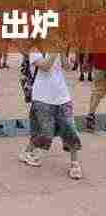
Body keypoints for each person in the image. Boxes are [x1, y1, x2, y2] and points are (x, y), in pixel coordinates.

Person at [19, 40, 83, 180]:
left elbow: (67, 67)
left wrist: (63, 52)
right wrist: (55, 50)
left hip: (62, 96)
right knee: (45, 131)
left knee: (70, 129)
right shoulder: (35, 49)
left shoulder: (57, 47)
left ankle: (75, 164)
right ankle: (27, 151)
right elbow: (45, 66)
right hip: (42, 97)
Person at [85, 52, 106, 131]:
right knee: (97, 92)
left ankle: (90, 115)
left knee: (97, 92)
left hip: (99, 64)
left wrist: (87, 61)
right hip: (100, 64)